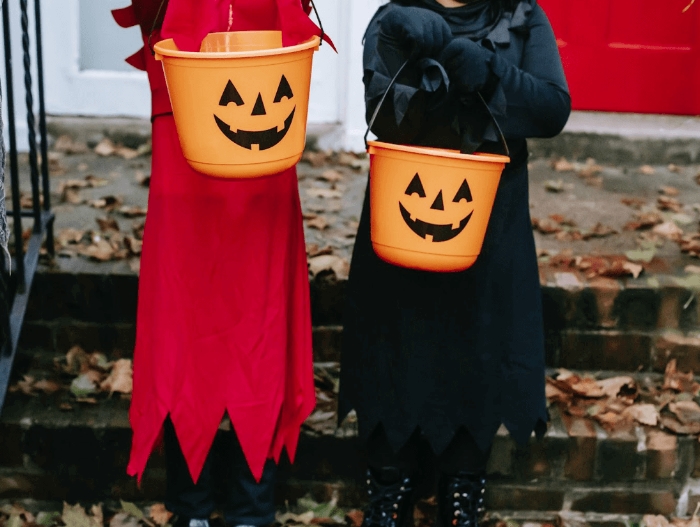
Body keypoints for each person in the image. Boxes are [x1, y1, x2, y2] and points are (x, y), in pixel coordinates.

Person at [339, 1, 571, 526]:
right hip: (407, 213)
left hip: (490, 219)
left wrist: (492, 74)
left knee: (480, 346)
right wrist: (407, 55)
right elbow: (383, 107)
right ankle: (389, 484)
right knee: (394, 345)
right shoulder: (391, 17)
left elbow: (552, 109)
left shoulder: (521, 17)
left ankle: (462, 488)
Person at [111, 1, 324, 526]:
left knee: (261, 322)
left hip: (262, 144)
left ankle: (253, 506)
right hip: (187, 151)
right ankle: (192, 508)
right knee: (186, 324)